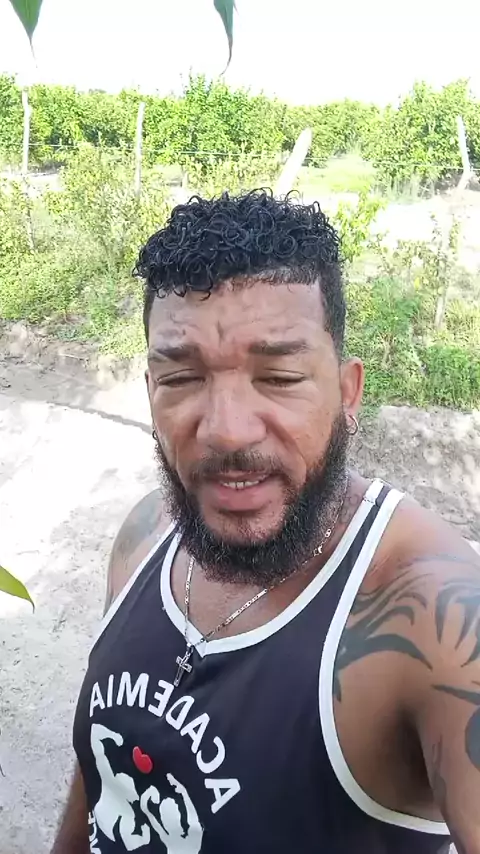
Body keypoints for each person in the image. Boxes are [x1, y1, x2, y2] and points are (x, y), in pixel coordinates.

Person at [52, 191, 480, 854]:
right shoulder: (146, 538)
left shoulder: (438, 617)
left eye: (278, 377)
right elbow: (104, 780)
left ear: (348, 392)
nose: (226, 431)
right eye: (182, 378)